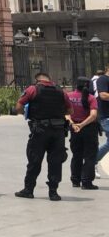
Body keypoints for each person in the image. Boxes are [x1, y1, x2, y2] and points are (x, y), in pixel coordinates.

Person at [14, 72, 71, 201]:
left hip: (40, 130)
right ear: (49, 80)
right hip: (58, 131)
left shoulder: (33, 89)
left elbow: (18, 107)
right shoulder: (61, 91)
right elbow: (70, 110)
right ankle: (53, 192)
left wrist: (28, 113)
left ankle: (28, 190)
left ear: (37, 80)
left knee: (34, 160)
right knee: (55, 162)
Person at [66, 77, 99, 189]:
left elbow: (65, 112)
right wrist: (82, 125)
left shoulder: (68, 96)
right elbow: (93, 115)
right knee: (90, 156)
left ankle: (75, 180)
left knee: (77, 155)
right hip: (89, 129)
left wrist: (73, 124)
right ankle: (86, 181)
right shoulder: (91, 98)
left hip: (74, 129)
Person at [95, 64, 109, 178]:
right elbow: (103, 95)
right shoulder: (103, 79)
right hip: (106, 116)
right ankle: (92, 162)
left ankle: (92, 162)